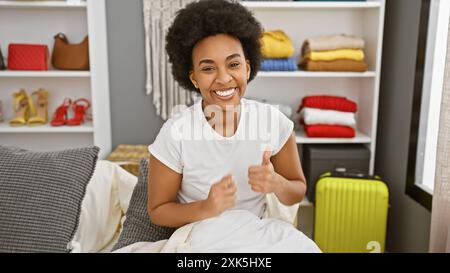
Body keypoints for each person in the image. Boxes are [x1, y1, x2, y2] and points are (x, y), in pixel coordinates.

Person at [147, 0, 321, 252]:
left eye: (233, 64)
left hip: (258, 234)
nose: (224, 78)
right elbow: (158, 210)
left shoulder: (272, 122)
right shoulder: (176, 132)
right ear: (193, 77)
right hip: (201, 236)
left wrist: (276, 184)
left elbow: (297, 190)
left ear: (247, 67)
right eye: (208, 68)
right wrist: (206, 207)